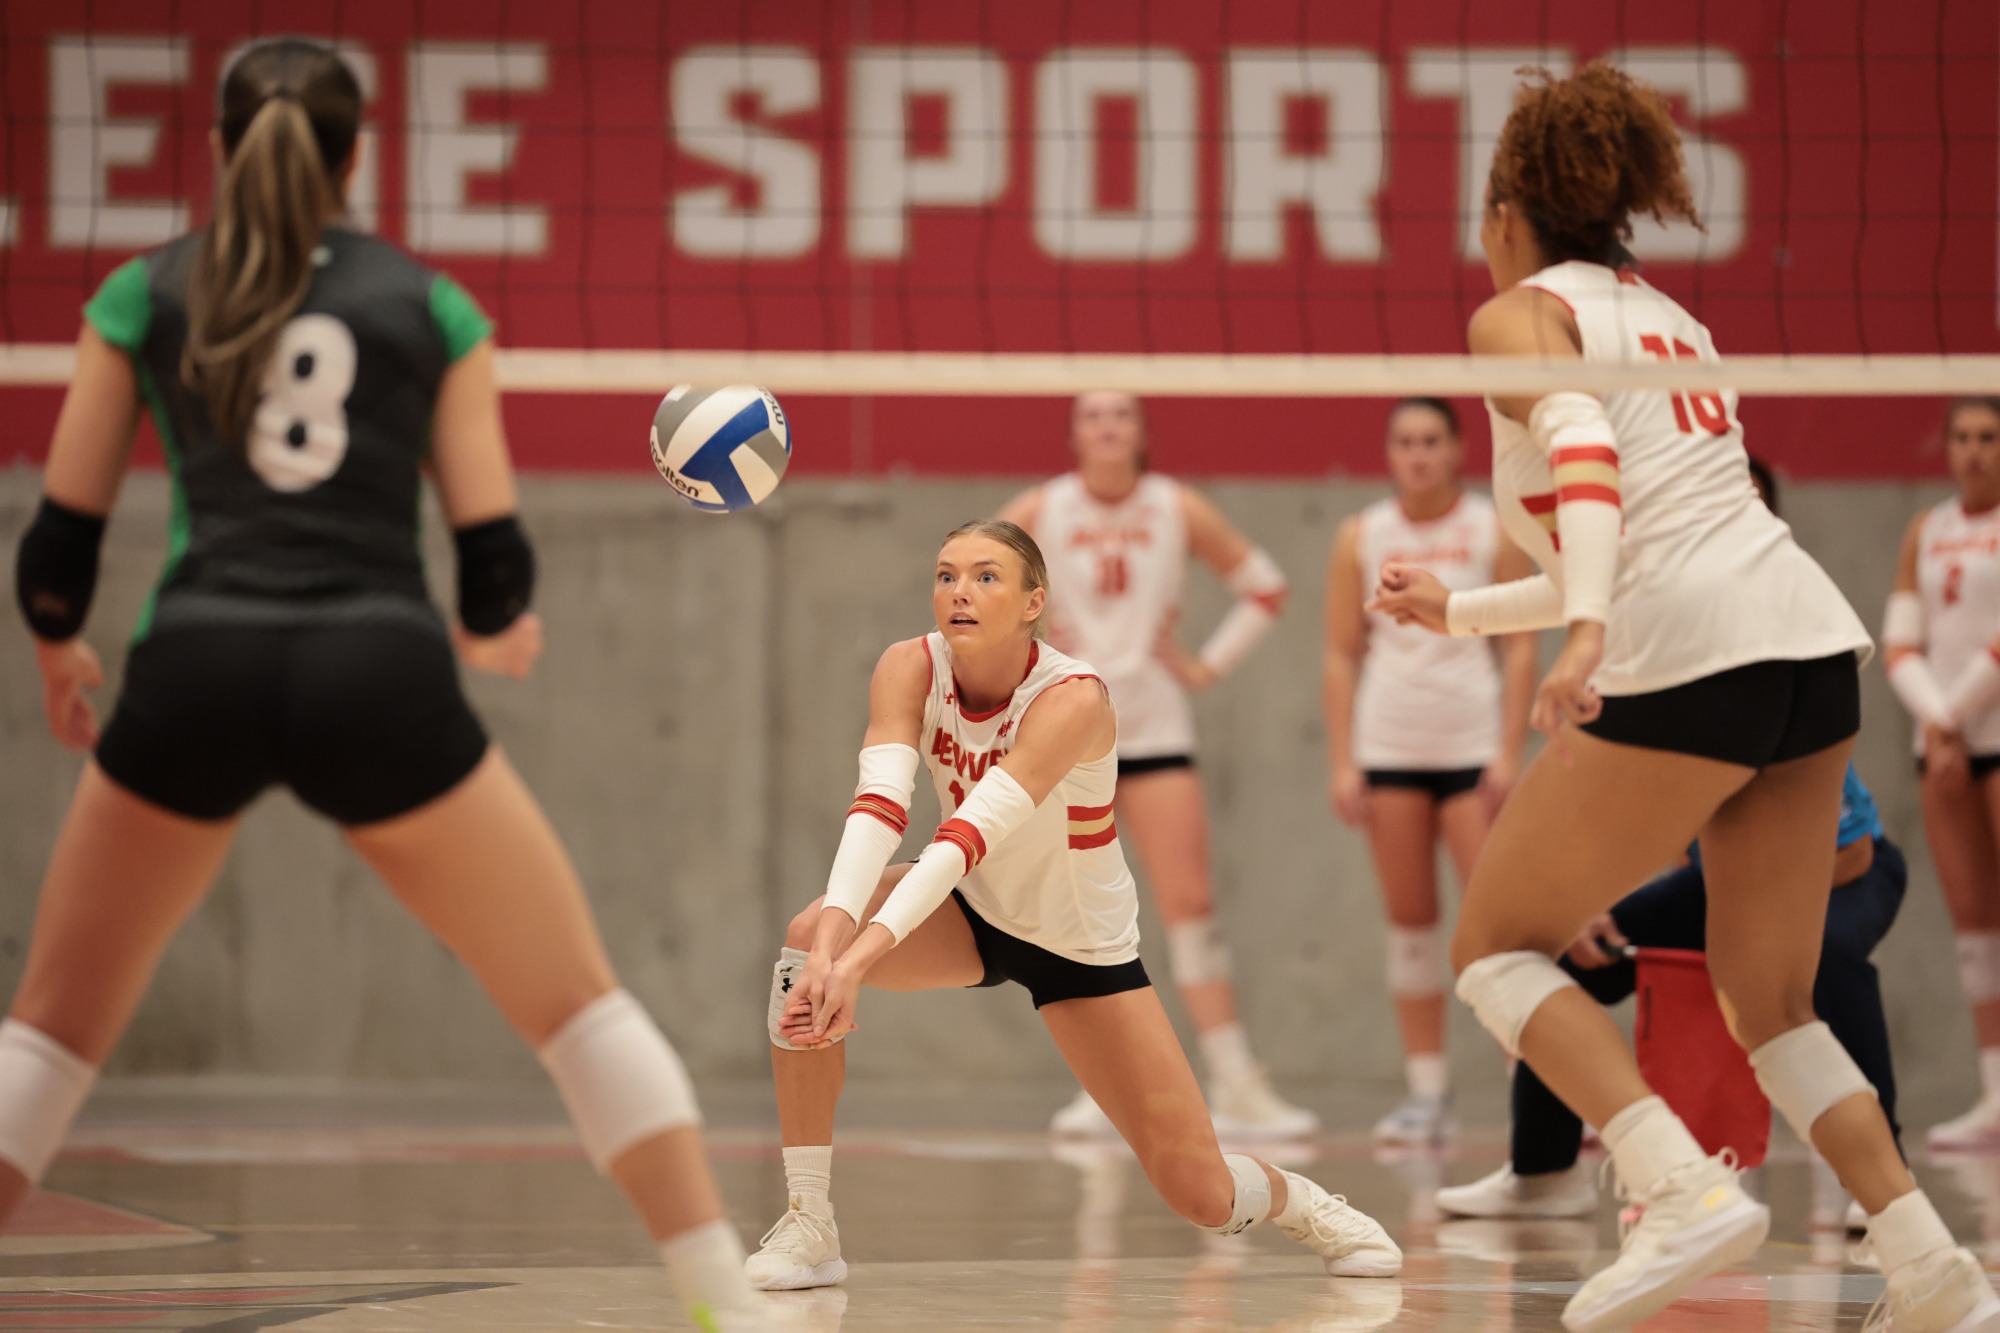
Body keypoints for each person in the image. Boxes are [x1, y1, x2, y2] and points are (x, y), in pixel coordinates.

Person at [1, 41, 761, 1331]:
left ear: (217, 152)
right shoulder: (432, 306)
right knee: (579, 1008)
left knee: (52, 1038)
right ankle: (725, 1305)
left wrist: (57, 646)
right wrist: (493, 633)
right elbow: (493, 558)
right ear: (359, 159)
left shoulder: (142, 292)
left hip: (199, 662)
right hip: (377, 670)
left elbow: (60, 547)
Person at [1368, 62, 1995, 1333]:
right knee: (1768, 999)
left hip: (1684, 647)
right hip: (1801, 640)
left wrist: (1588, 627)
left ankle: (1671, 1186)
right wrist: (1468, 612)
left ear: (1504, 211)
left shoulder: (1515, 317)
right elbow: (1645, 527)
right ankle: (1932, 1265)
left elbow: (1593, 474)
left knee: (1493, 944)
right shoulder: (1666, 317)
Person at [740, 519, 1399, 1292]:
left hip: (1077, 942)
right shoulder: (908, 667)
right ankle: (809, 1220)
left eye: (987, 576)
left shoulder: (1074, 698)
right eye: (946, 573)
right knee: (800, 944)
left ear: (1033, 602)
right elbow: (879, 808)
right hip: (972, 909)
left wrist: (855, 957)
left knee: (1203, 1194)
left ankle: (1305, 1201)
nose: (960, 591)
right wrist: (828, 950)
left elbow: (965, 834)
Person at [998, 394, 1316, 1139]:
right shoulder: (1042, 508)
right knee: (1075, 913)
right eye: (1093, 416)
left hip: (1155, 725)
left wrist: (1207, 663)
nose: (1108, 427)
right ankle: (1100, 1085)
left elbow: (1266, 587)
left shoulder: (1178, 505)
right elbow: (975, 587)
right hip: (1068, 732)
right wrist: (1029, 654)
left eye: (1121, 415)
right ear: (1074, 432)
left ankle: (1236, 1080)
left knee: (1189, 905)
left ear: (1141, 432)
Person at [1324, 396, 1537, 1144]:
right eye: (1405, 442)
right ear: (1390, 455)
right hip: (1390, 747)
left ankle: (1530, 1087)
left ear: (1456, 450)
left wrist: (1509, 750)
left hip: (1472, 746)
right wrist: (1343, 757)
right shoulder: (1363, 534)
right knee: (1411, 926)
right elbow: (1340, 651)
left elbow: (1518, 645)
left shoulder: (1488, 525)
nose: (1417, 454)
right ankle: (1427, 1093)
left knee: (1494, 928)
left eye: (1431, 441)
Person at [1883, 396, 2000, 1149]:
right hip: (1947, 743)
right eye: (1961, 437)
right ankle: (1996, 1093)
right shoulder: (1925, 529)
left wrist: (1947, 717)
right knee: (1973, 925)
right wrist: (1939, 724)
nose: (1973, 451)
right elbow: (1899, 642)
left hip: (1975, 728)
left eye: (1988, 437)